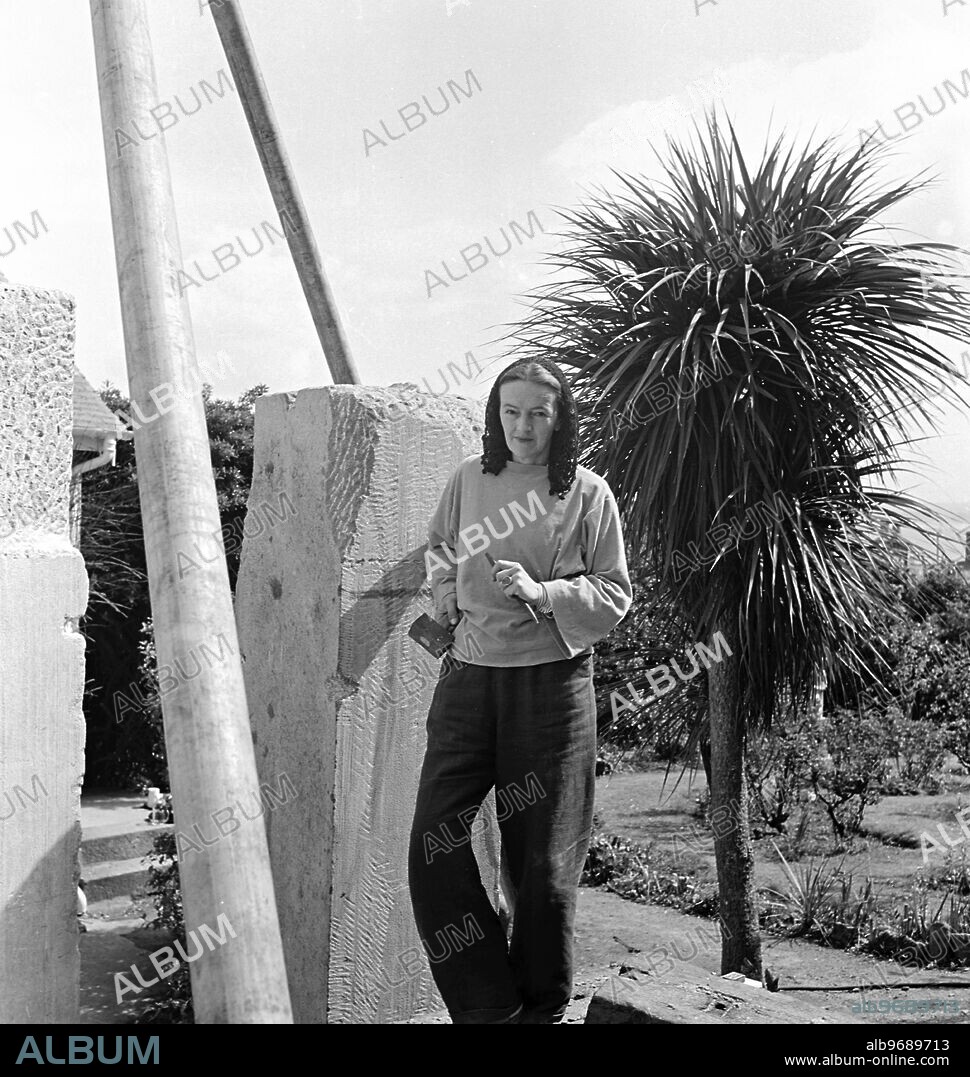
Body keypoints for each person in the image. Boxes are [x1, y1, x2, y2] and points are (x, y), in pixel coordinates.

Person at [407, 356, 633, 1024]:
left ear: (561, 420)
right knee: (432, 845)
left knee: (544, 868)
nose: (523, 427)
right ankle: (488, 1006)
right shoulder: (468, 481)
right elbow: (440, 554)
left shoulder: (589, 493)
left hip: (553, 691)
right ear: (493, 415)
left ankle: (541, 1009)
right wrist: (447, 604)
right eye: (510, 412)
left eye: (538, 413)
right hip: (468, 685)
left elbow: (616, 591)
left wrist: (546, 592)